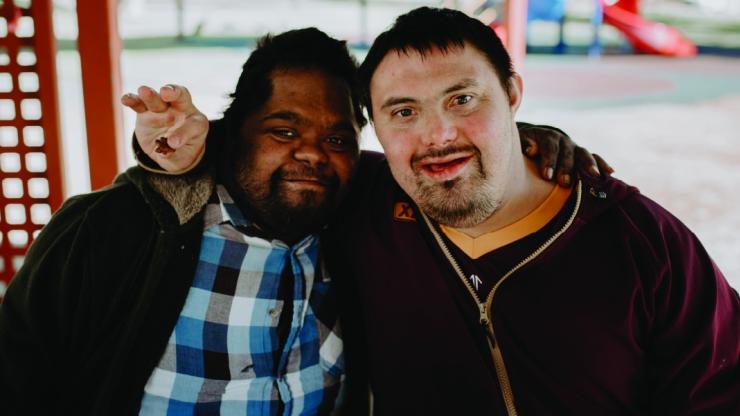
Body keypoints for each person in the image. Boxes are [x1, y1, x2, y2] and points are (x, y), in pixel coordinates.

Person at [139, 7, 739, 415]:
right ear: (377, 130)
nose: (438, 134)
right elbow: (276, 157)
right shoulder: (367, 201)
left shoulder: (640, 239)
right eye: (404, 112)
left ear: (512, 95)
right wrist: (186, 146)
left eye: (463, 98)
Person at [0, 26, 589, 415]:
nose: (312, 152)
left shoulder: (359, 221)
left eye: (336, 137)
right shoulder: (112, 231)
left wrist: (524, 141)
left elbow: (434, 162)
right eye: (284, 131)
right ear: (232, 132)